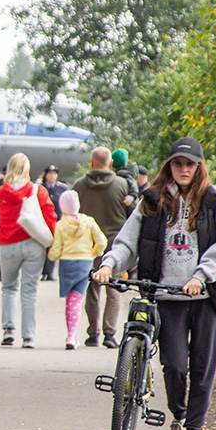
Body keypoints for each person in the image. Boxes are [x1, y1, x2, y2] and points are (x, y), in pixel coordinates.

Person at [92, 136, 216, 430]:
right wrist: (109, 264)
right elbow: (128, 241)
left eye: (189, 164)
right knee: (174, 365)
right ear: (169, 166)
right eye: (178, 163)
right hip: (166, 295)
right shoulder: (153, 200)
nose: (183, 169)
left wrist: (200, 277)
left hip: (205, 296)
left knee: (202, 368)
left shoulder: (215, 201)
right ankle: (179, 419)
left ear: (199, 167)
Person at [0, 153, 57, 348]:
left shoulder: (2, 192)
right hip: (33, 244)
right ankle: (28, 337)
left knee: (9, 287)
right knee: (30, 290)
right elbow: (50, 216)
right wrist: (52, 240)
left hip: (7, 244)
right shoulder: (37, 190)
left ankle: (8, 330)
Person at [73, 147, 130, 348]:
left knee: (92, 289)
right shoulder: (122, 185)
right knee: (113, 290)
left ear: (92, 162)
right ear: (110, 163)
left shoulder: (79, 186)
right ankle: (109, 333)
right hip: (116, 245)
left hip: (88, 245)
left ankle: (92, 333)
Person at [47, 190, 107, 349]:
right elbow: (102, 241)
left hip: (67, 264)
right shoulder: (89, 221)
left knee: (70, 301)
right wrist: (93, 253)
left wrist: (52, 256)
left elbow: (56, 249)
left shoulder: (60, 225)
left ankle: (71, 335)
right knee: (77, 299)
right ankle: (72, 336)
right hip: (85, 263)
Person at [40, 165, 69, 281]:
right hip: (42, 222)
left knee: (53, 247)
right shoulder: (40, 188)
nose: (52, 176)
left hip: (57, 222)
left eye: (54, 173)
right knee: (42, 247)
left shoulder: (62, 189)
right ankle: (43, 271)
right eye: (50, 173)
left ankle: (49, 272)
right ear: (46, 175)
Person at [112, 148, 140, 214]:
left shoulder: (123, 173)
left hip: (129, 206)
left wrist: (132, 196)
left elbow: (133, 185)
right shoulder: (129, 171)